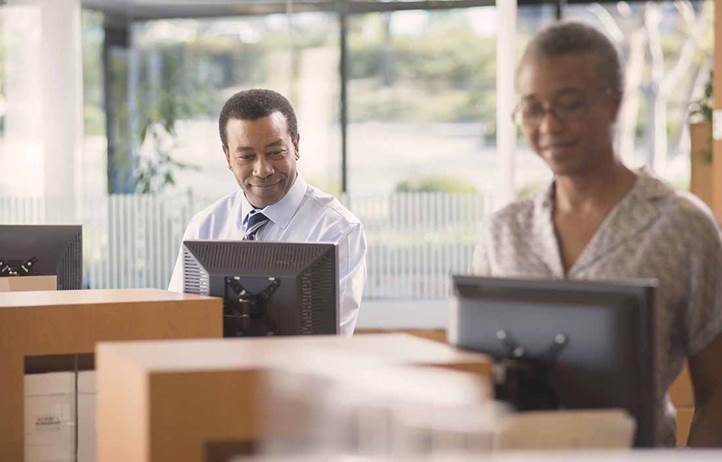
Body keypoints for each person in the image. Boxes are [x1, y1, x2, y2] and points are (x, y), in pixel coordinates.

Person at [472, 21, 722, 446]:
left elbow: (718, 392)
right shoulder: (503, 232)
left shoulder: (683, 226)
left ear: (615, 103)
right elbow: (480, 381)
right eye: (533, 108)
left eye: (569, 105)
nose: (549, 125)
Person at [168, 89, 367, 336]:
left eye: (275, 152)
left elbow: (332, 339)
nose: (263, 170)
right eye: (247, 156)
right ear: (228, 157)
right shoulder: (204, 227)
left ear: (295, 146)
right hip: (216, 370)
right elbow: (177, 323)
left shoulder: (337, 229)